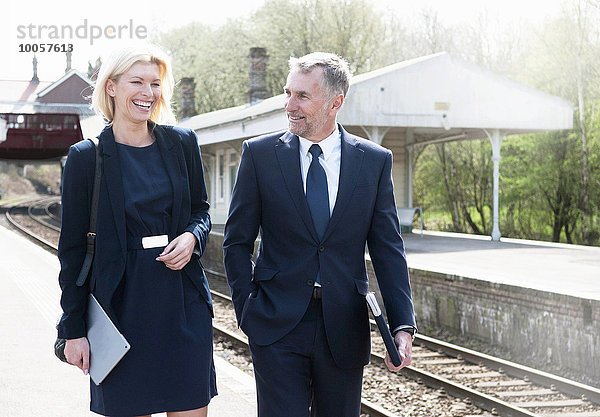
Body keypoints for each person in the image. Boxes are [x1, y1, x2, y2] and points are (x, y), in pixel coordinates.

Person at [223, 52, 416, 417]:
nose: (289, 105)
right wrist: (247, 308)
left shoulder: (374, 162)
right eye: (287, 93)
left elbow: (389, 249)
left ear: (335, 103)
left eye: (302, 96)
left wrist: (403, 325)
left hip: (343, 326)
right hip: (276, 324)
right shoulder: (260, 156)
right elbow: (236, 242)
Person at [57, 44, 217, 417]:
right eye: (137, 82)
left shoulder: (182, 143)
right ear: (111, 87)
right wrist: (73, 329)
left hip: (182, 301)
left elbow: (200, 211)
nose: (148, 93)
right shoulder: (86, 157)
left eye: (155, 84)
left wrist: (193, 236)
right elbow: (72, 252)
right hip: (120, 308)